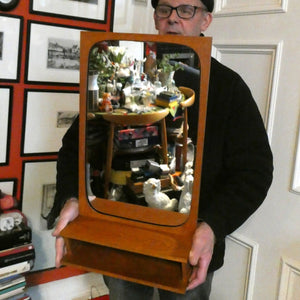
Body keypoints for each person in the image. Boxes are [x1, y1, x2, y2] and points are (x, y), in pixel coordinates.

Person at [50, 0, 273, 299]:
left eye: (186, 9)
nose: (173, 19)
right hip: (122, 236)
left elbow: (255, 171)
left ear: (205, 20)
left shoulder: (228, 88)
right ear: (155, 17)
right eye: (164, 9)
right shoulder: (123, 76)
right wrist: (74, 197)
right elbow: (74, 148)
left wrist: (213, 226)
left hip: (190, 245)